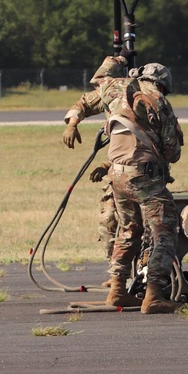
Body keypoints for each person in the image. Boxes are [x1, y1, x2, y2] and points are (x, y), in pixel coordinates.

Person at [103, 62, 183, 314]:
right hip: (144, 177)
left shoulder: (117, 92)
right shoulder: (158, 101)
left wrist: (115, 62)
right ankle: (154, 296)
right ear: (163, 83)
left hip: (116, 175)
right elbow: (172, 153)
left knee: (128, 229)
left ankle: (117, 290)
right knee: (165, 231)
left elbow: (99, 81)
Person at [62, 55, 128, 260]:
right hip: (117, 169)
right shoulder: (108, 93)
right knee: (109, 219)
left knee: (137, 226)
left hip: (139, 169)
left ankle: (140, 273)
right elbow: (83, 104)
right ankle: (115, 272)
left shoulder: (141, 100)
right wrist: (72, 124)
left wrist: (107, 164)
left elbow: (141, 147)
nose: (99, 86)